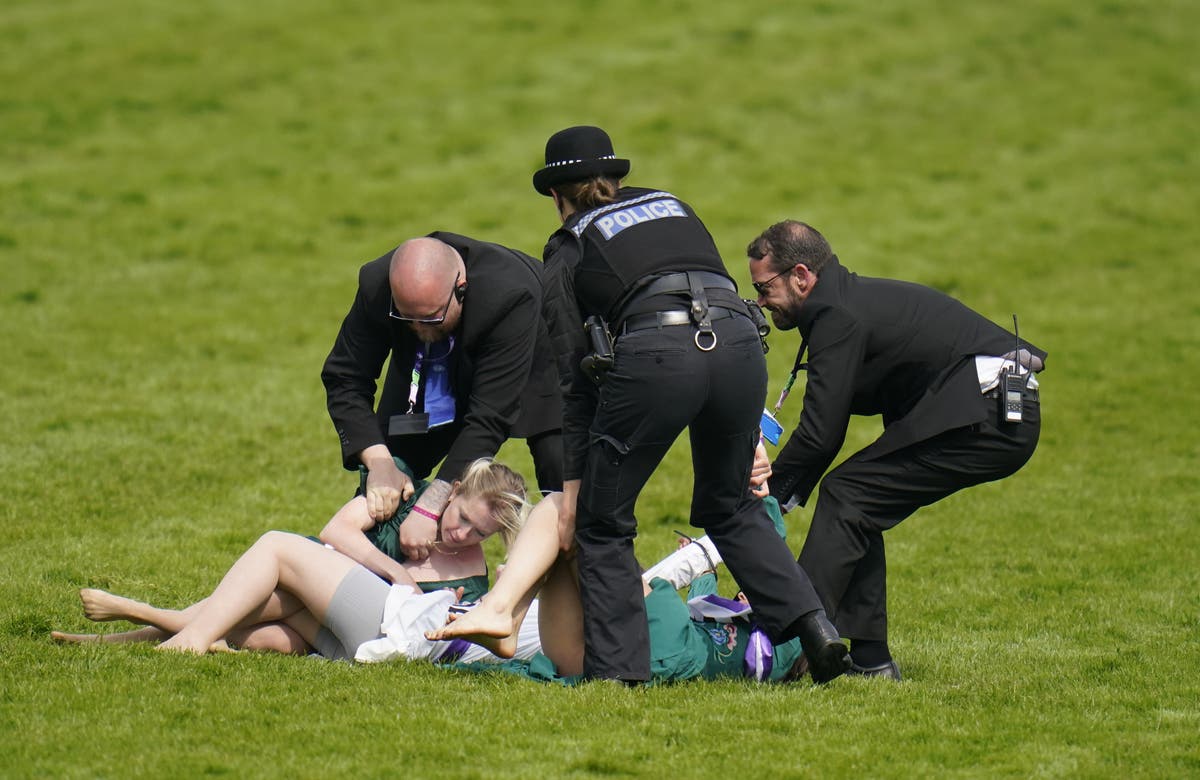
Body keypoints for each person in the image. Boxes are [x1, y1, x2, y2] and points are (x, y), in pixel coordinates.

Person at [533, 125, 849, 683]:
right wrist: (749, 433)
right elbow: (712, 290)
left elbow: (573, 375)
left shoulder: (569, 242)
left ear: (558, 196)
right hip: (739, 344)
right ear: (614, 178)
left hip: (656, 354)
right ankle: (815, 630)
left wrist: (573, 487)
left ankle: (619, 674)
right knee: (731, 505)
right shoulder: (671, 204)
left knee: (603, 525)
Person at [746, 220, 1046, 680]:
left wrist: (771, 492)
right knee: (856, 499)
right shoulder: (843, 303)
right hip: (994, 409)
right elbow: (830, 426)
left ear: (801, 276)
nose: (763, 303)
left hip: (988, 415)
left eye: (765, 289)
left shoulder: (836, 316)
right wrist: (781, 492)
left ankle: (795, 642)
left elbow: (820, 433)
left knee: (849, 496)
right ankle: (870, 660)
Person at [52, 459, 531, 660]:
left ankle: (152, 621)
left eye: (480, 533)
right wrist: (396, 571)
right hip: (309, 586)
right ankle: (116, 639)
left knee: (248, 627)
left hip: (350, 625)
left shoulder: (473, 573)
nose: (463, 533)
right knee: (259, 635)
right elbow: (334, 531)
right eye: (464, 517)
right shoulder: (406, 489)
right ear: (457, 489)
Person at [322, 233, 563, 563]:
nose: (419, 327)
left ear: (460, 287)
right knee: (391, 475)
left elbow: (489, 417)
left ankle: (585, 585)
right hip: (426, 373)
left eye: (431, 317)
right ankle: (358, 585)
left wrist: (431, 505)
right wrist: (379, 462)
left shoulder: (510, 294)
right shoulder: (378, 284)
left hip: (537, 356)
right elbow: (344, 377)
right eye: (408, 318)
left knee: (562, 479)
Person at [427, 493, 810, 684]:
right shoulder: (733, 627)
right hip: (620, 658)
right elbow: (709, 598)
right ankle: (505, 623)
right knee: (564, 533)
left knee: (567, 508)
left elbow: (770, 555)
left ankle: (501, 608)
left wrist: (762, 492)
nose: (745, 595)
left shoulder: (793, 635)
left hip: (671, 638)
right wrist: (705, 576)